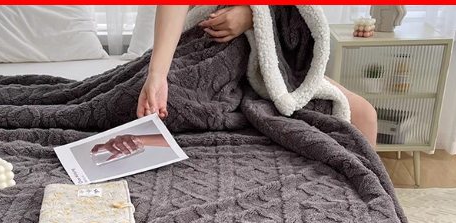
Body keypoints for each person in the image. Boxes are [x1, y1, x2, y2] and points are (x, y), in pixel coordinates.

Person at [137, 5, 378, 148]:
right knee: (159, 107)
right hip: (206, 53)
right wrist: (157, 74)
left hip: (274, 65)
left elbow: (302, 16)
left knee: (365, 115)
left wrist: (253, 14)